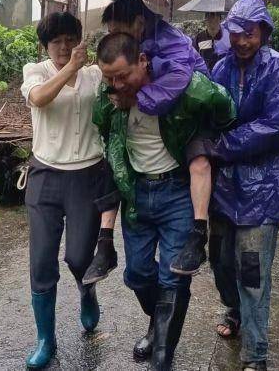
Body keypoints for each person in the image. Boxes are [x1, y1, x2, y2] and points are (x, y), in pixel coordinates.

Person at [92, 32, 235, 370]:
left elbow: (223, 106)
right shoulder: (113, 99)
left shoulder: (175, 89)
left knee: (174, 277)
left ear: (143, 61)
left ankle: (162, 358)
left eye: (123, 76)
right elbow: (109, 151)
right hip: (137, 195)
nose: (117, 84)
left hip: (175, 193)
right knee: (138, 275)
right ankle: (157, 326)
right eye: (109, 78)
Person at [203, 0, 279, 371]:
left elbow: (275, 127)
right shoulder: (221, 68)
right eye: (237, 32)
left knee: (252, 270)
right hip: (225, 187)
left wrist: (223, 144)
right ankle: (233, 311)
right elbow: (210, 111)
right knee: (219, 261)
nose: (243, 40)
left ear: (264, 32)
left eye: (251, 33)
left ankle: (256, 354)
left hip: (264, 187)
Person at [83, 0, 214, 284]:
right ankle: (105, 243)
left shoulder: (173, 44)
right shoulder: (138, 43)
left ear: (139, 23)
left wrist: (135, 99)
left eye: (117, 31)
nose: (113, 38)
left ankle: (198, 233)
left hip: (190, 114)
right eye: (109, 33)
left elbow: (174, 85)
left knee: (199, 160)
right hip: (157, 114)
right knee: (113, 155)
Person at [18, 12, 119, 370]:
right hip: (46, 175)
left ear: (80, 40)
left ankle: (87, 291)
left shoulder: (95, 75)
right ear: (46, 45)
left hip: (87, 175)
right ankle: (46, 339)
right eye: (56, 40)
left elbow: (117, 100)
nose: (63, 46)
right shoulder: (36, 71)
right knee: (42, 261)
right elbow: (40, 99)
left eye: (70, 39)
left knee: (79, 257)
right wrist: (68, 68)